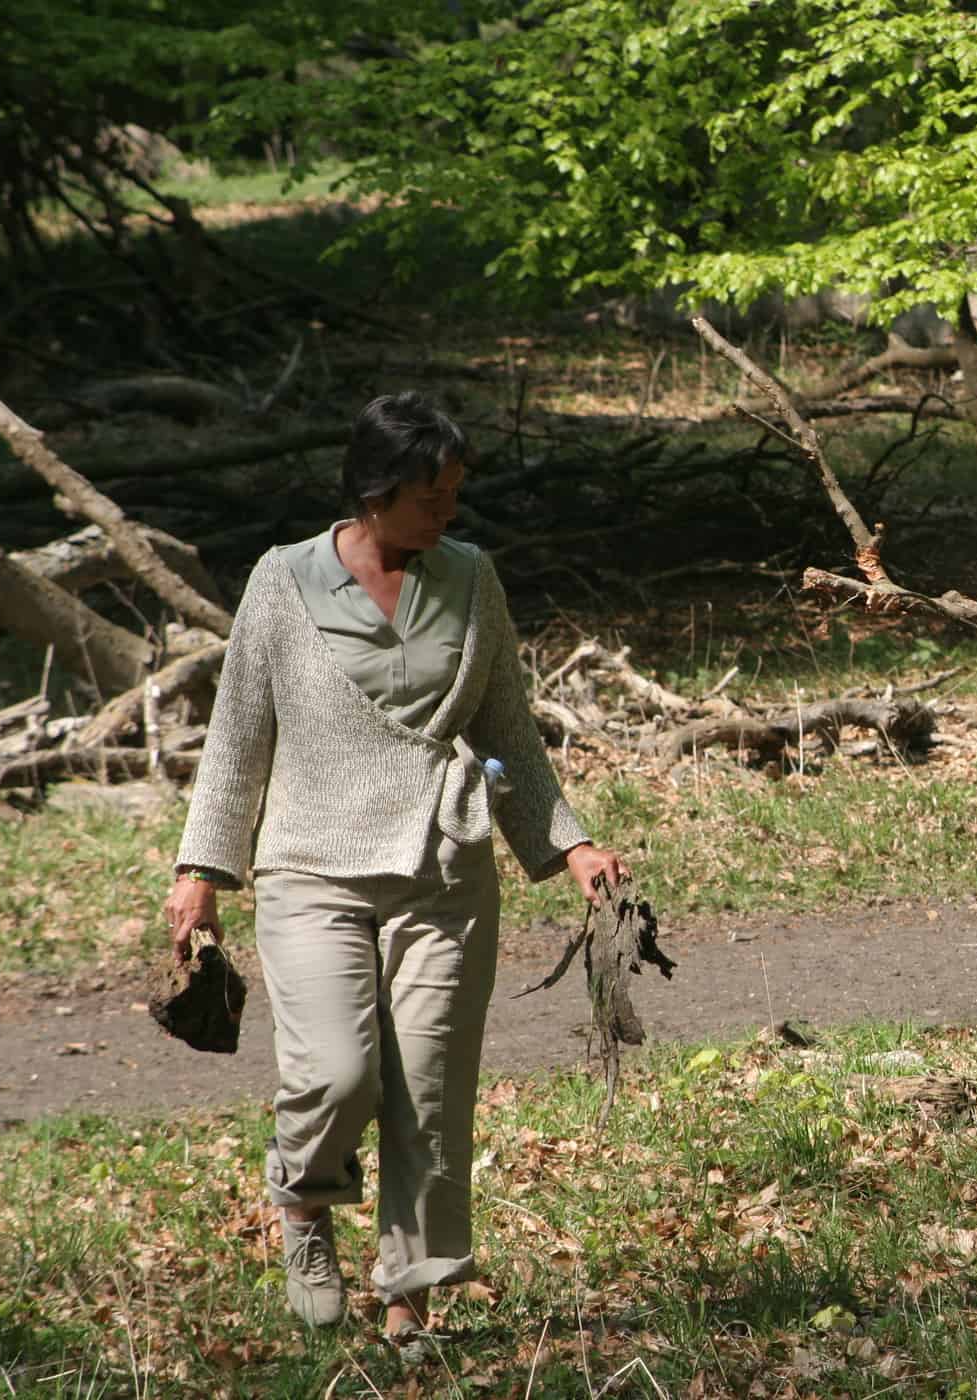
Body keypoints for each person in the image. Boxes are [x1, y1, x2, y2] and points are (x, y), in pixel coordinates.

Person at [162, 392, 626, 1356]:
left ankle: (410, 1296)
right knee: (336, 1074)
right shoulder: (282, 582)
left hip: (442, 865)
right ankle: (304, 1205)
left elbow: (508, 733)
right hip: (311, 866)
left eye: (456, 493)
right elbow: (239, 733)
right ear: (375, 494)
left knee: (431, 1087)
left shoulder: (472, 579)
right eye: (432, 495)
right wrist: (202, 868)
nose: (448, 512)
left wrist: (570, 844)